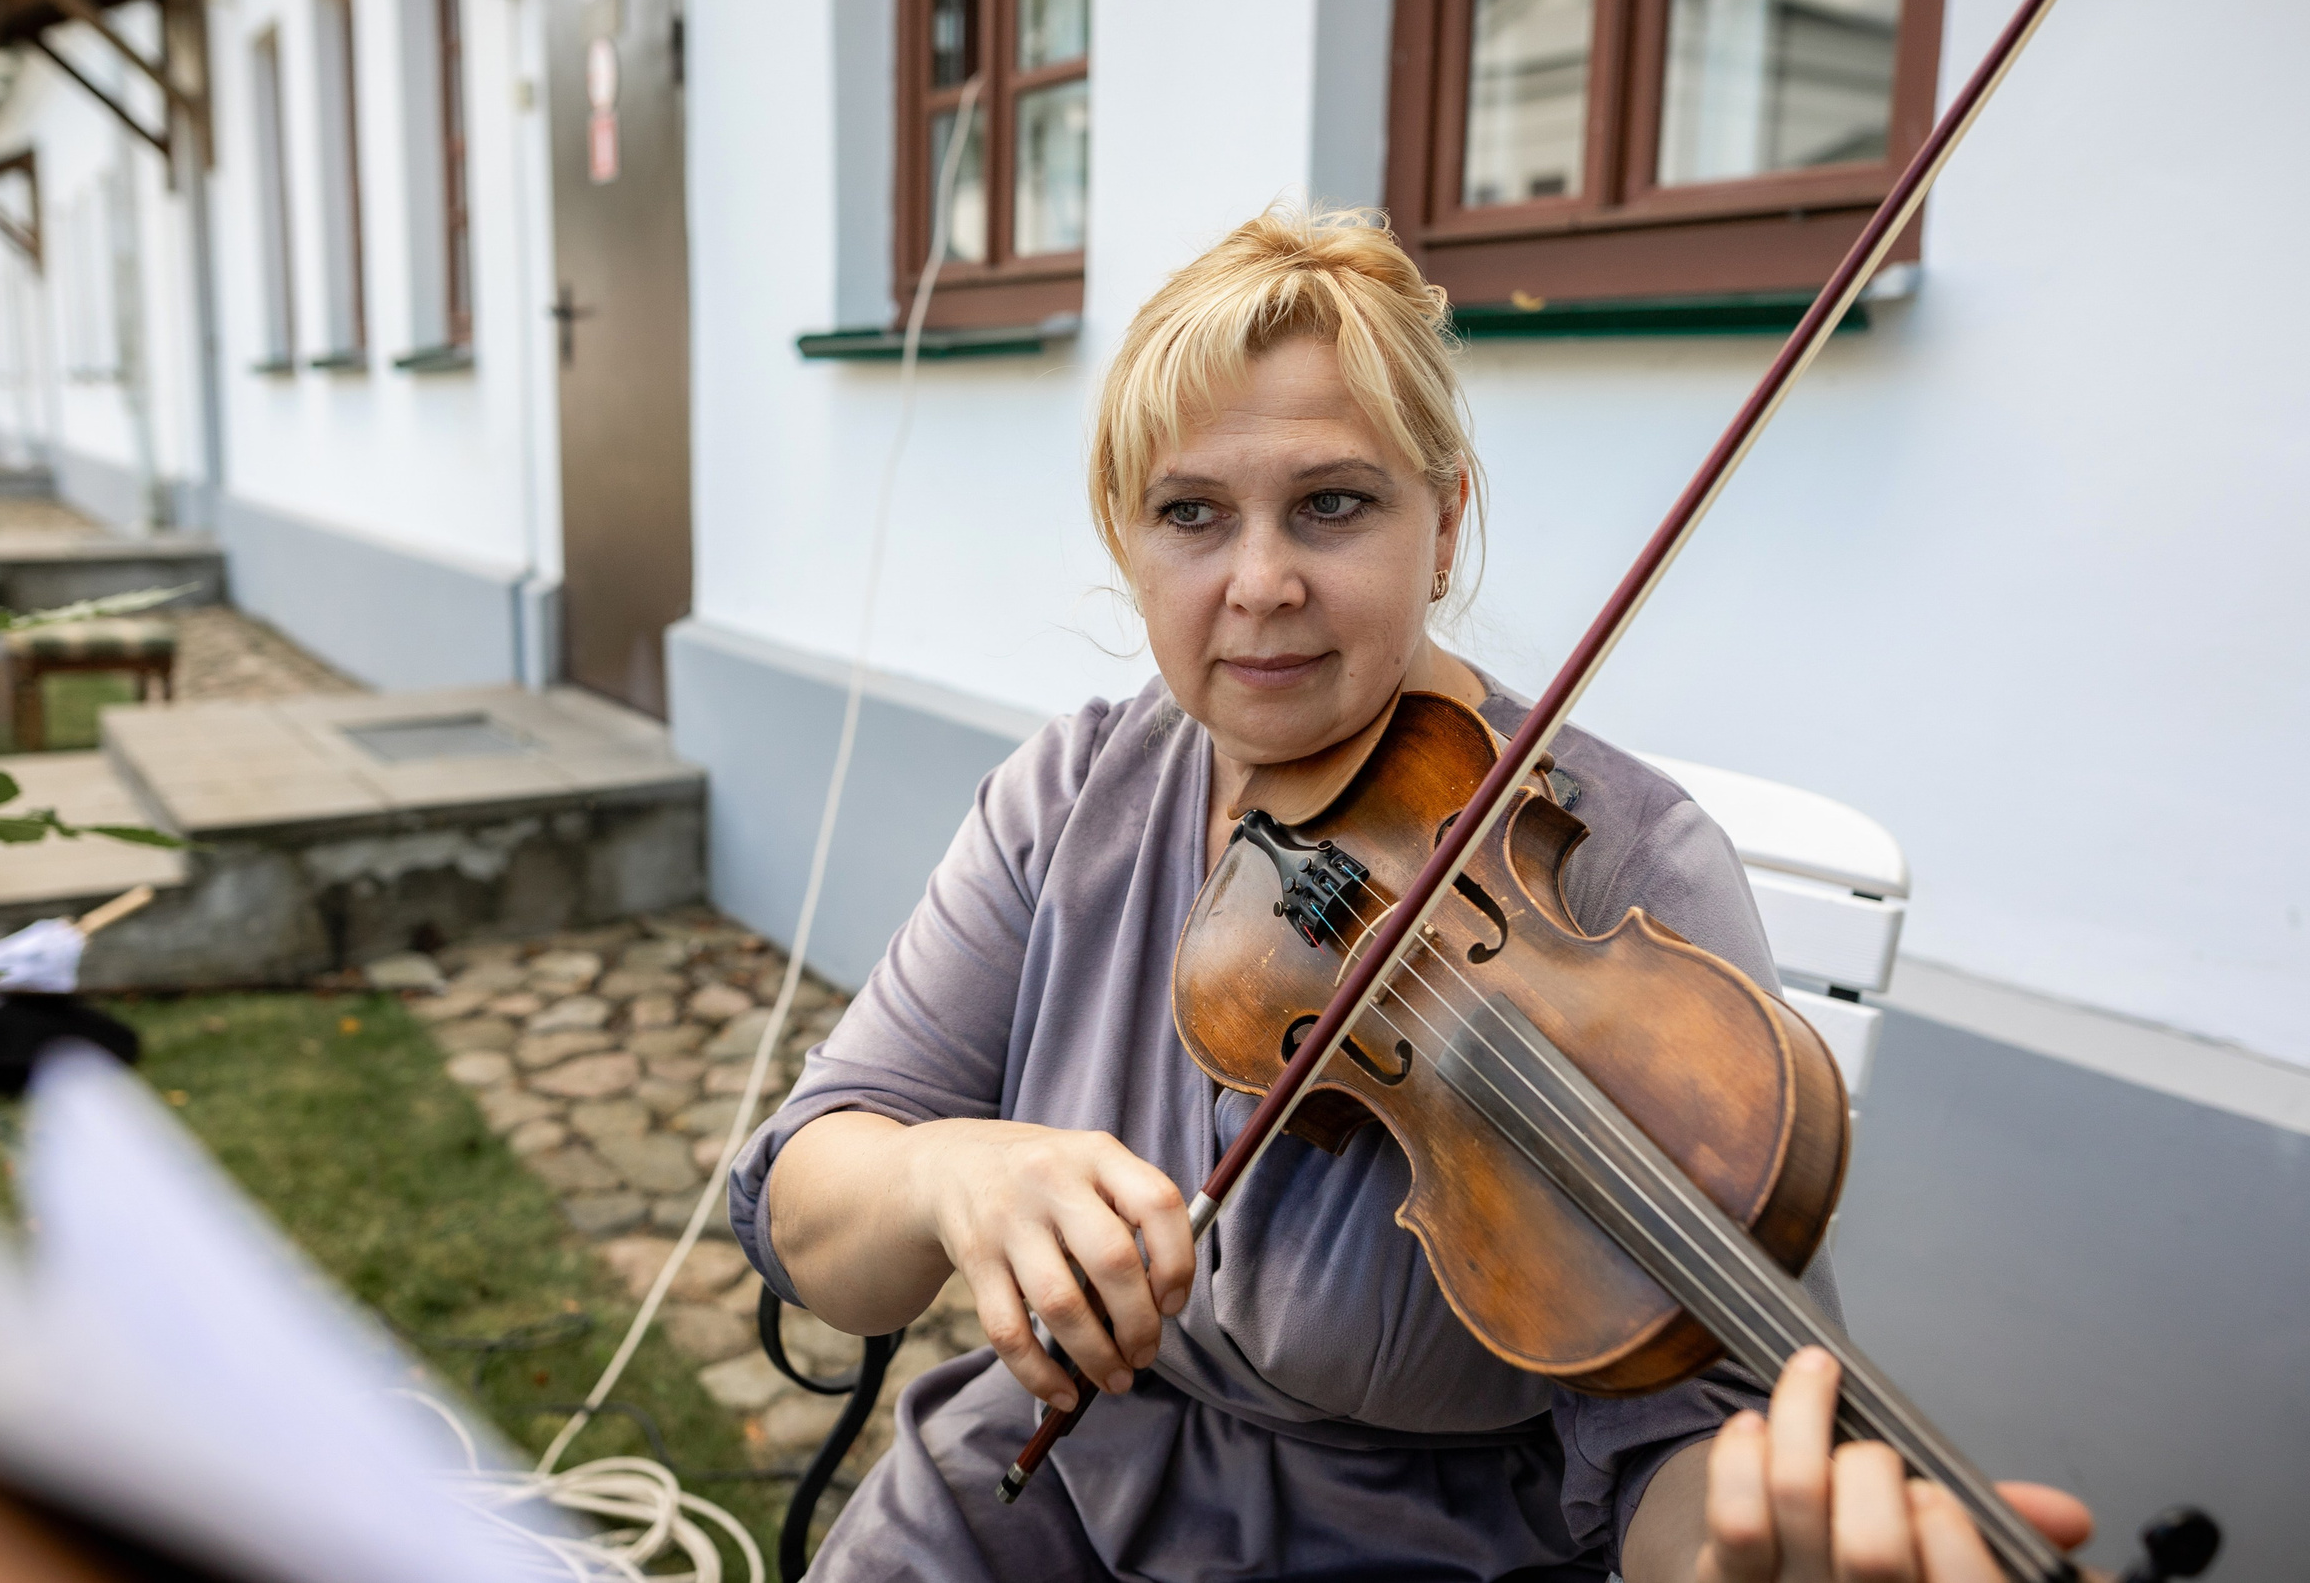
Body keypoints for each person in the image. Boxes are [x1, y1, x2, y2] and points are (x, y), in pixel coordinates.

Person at [728, 208, 2090, 1582]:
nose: (1260, 584)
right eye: (1191, 514)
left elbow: (1691, 1447)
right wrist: (945, 1174)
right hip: (1040, 1493)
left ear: (1443, 523)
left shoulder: (1616, 868)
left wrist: (1750, 1553)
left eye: (1333, 504)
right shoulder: (1078, 793)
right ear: (1127, 542)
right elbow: (807, 1199)